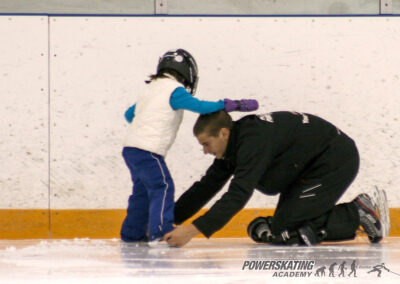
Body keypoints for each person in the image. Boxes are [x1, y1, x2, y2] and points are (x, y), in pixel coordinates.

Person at [165, 110, 385, 247]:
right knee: (282, 230)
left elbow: (238, 193)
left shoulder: (252, 143)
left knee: (288, 232)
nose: (205, 151)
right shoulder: (235, 143)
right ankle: (282, 223)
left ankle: (357, 213)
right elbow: (207, 186)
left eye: (206, 144)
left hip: (334, 160)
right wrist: (169, 219)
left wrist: (193, 230)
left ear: (223, 133)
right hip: (305, 168)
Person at [121, 49, 258, 244]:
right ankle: (161, 234)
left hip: (130, 149)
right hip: (148, 151)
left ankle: (131, 235)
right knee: (163, 186)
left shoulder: (149, 89)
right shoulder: (173, 90)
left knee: (141, 192)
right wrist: (231, 105)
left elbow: (129, 115)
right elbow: (200, 106)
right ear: (187, 74)